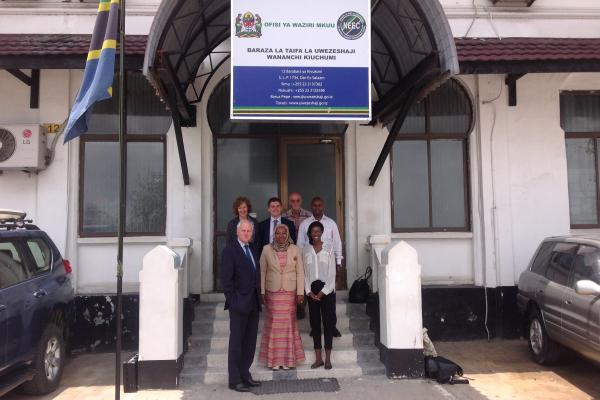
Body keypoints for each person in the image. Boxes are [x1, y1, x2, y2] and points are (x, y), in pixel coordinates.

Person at [220, 220, 262, 392]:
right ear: (237, 232)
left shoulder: (251, 249)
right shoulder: (230, 250)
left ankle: (245, 375)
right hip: (239, 304)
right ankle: (235, 379)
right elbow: (226, 281)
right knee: (237, 343)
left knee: (250, 342)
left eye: (249, 231)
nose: (246, 233)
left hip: (253, 303)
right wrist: (233, 300)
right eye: (243, 230)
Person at [258, 224, 306, 370]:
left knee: (287, 325)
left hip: (290, 293)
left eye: (283, 233)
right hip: (273, 292)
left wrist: (300, 292)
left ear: (287, 235)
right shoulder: (267, 249)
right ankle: (274, 361)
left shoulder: (295, 249)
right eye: (278, 233)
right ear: (274, 234)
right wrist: (262, 291)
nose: (281, 236)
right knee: (274, 326)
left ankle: (288, 361)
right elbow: (262, 272)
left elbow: (300, 272)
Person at [303, 221, 338, 370]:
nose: (315, 234)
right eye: (313, 232)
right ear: (309, 233)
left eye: (318, 231)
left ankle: (328, 359)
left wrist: (323, 292)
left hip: (327, 291)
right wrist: (308, 291)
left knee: (328, 323)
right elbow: (304, 273)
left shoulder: (329, 249)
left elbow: (332, 273)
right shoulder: (305, 250)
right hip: (312, 291)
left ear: (322, 232)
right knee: (315, 324)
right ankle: (318, 359)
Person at [282, 192, 312, 320]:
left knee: (303, 280)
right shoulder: (284, 217)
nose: (295, 203)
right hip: (288, 254)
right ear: (289, 202)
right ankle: (291, 306)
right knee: (291, 280)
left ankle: (301, 307)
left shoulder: (308, 216)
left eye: (297, 200)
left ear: (301, 201)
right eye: (292, 201)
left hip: (304, 253)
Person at [297, 197, 343, 273]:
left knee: (328, 283)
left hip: (327, 260)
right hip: (309, 260)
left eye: (319, 205)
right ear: (311, 207)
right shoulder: (304, 224)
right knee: (310, 283)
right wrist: (300, 262)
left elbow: (337, 243)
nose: (317, 207)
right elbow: (300, 245)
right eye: (314, 205)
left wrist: (338, 262)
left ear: (323, 206)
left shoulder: (331, 223)